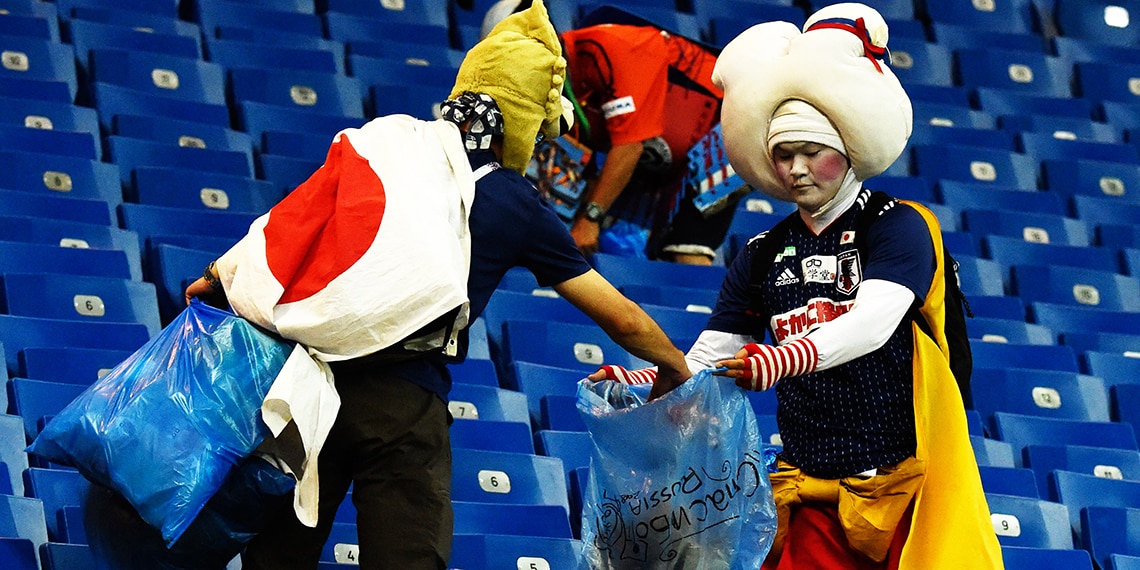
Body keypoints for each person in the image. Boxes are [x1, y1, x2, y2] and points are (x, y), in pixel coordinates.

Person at [180, 2, 691, 569]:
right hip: (401, 401)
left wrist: (218, 277)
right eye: (541, 133)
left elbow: (292, 220)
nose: (542, 147)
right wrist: (674, 365)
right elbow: (622, 318)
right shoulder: (512, 201)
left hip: (307, 384)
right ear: (521, 119)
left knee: (276, 559)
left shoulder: (387, 142)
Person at [595, 4, 1003, 568]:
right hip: (810, 489)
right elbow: (717, 356)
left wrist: (783, 360)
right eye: (783, 155)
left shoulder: (898, 224)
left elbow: (873, 322)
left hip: (900, 487)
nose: (796, 169)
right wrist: (650, 374)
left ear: (850, 150)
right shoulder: (762, 253)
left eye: (813, 152)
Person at [484, 1, 739, 265]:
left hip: (726, 125)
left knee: (683, 249)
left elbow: (629, 148)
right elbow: (589, 174)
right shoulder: (556, 94)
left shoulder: (614, 46)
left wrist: (590, 218)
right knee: (619, 241)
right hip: (658, 159)